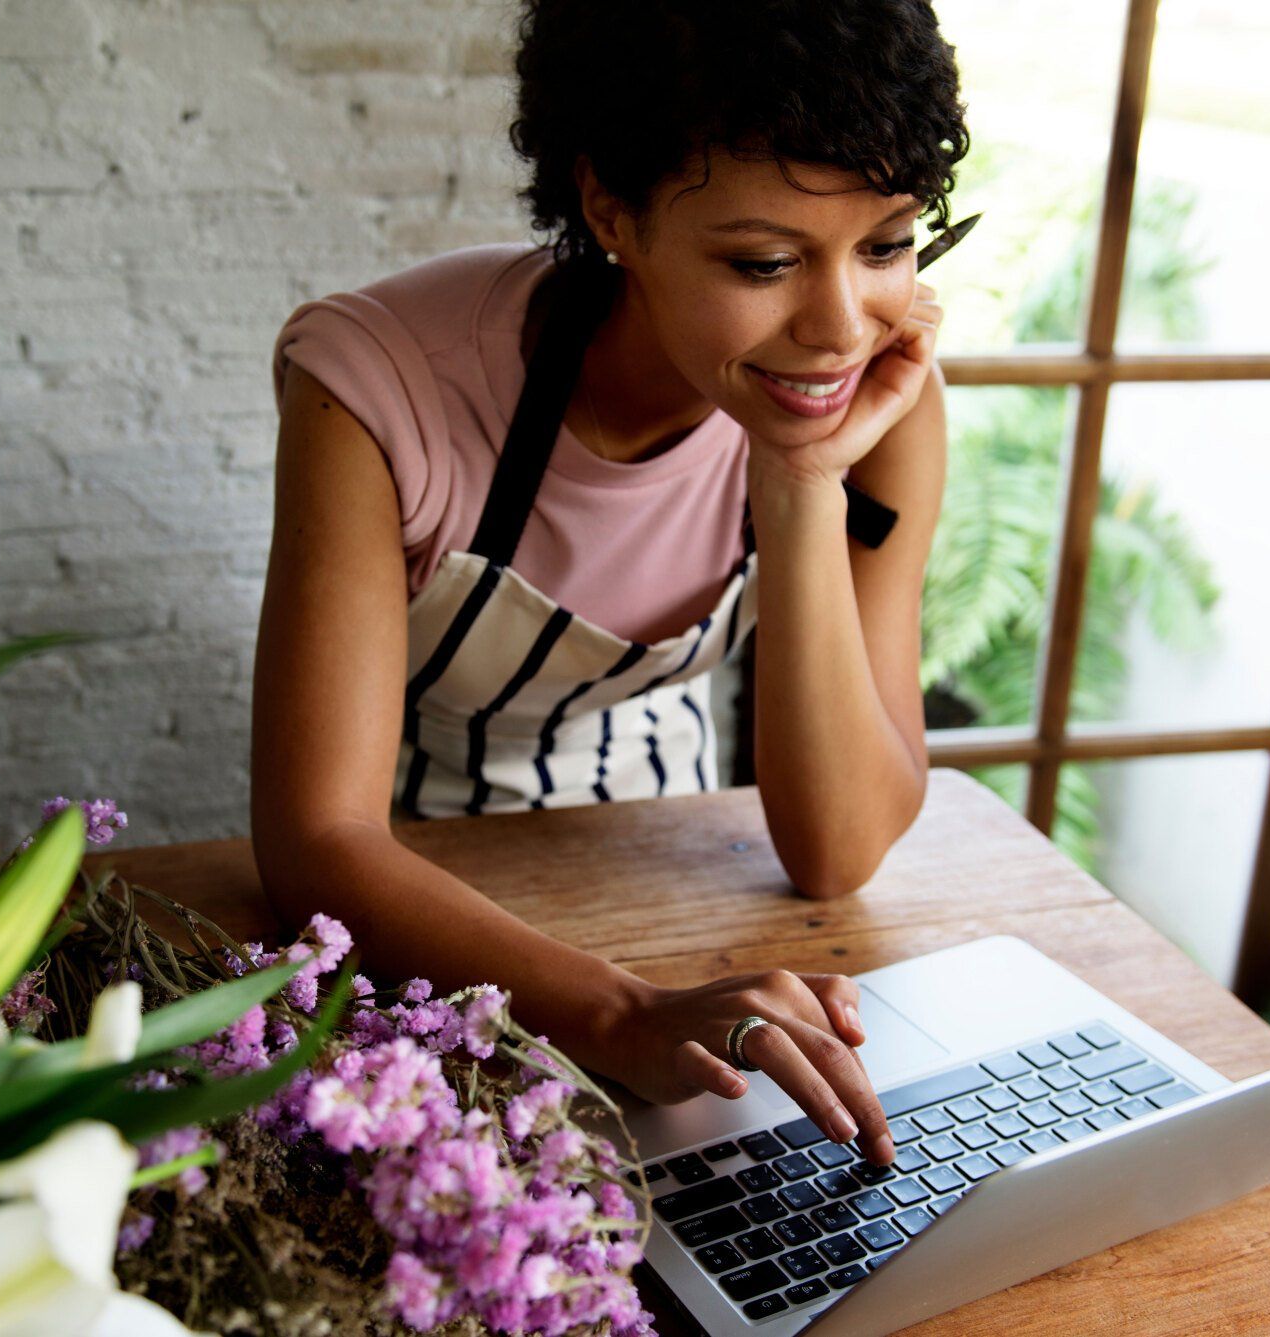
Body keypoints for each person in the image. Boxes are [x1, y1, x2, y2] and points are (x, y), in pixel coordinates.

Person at [253, 0, 969, 1168]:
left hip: (690, 885)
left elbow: (835, 853)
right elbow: (314, 839)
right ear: (609, 210)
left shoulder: (871, 407)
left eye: (886, 244)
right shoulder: (380, 391)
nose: (842, 327)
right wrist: (620, 1012)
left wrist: (798, 483)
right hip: (419, 903)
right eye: (765, 261)